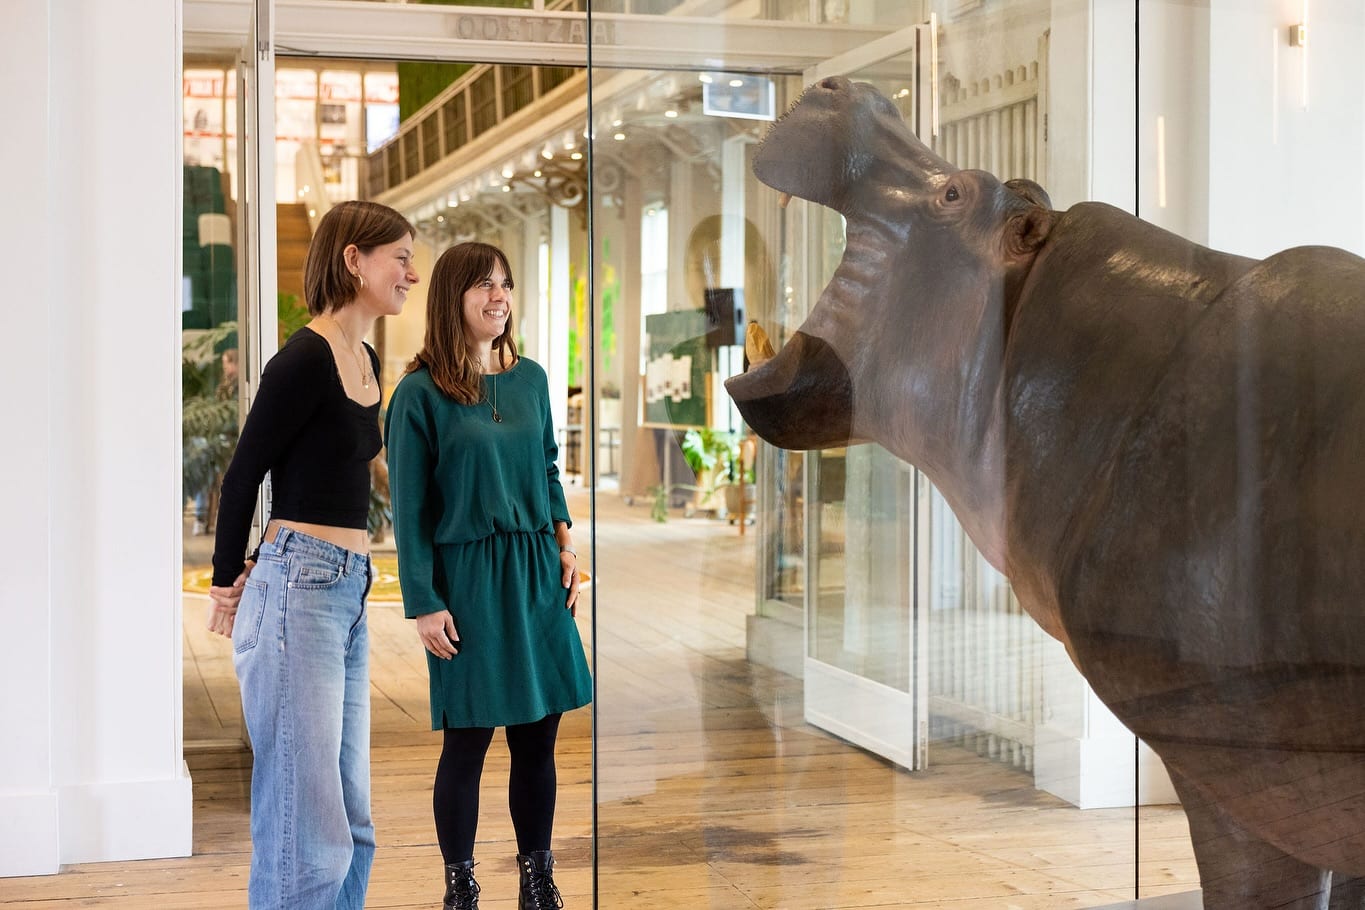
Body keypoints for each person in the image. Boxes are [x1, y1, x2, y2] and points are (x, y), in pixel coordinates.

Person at [206, 200, 420, 909]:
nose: (411, 274)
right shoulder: (300, 360)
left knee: (350, 817)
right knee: (307, 815)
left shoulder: (364, 359)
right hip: (297, 586)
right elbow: (243, 475)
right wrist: (223, 584)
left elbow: (365, 472)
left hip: (347, 588)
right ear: (353, 259)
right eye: (400, 257)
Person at [384, 241, 593, 910]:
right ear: (453, 297)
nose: (498, 295)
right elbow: (409, 509)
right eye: (483, 285)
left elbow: (548, 468)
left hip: (536, 573)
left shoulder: (530, 379)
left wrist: (564, 544)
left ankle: (538, 878)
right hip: (468, 581)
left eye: (504, 283)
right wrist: (423, 601)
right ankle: (462, 886)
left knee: (539, 737)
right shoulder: (418, 395)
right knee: (468, 741)